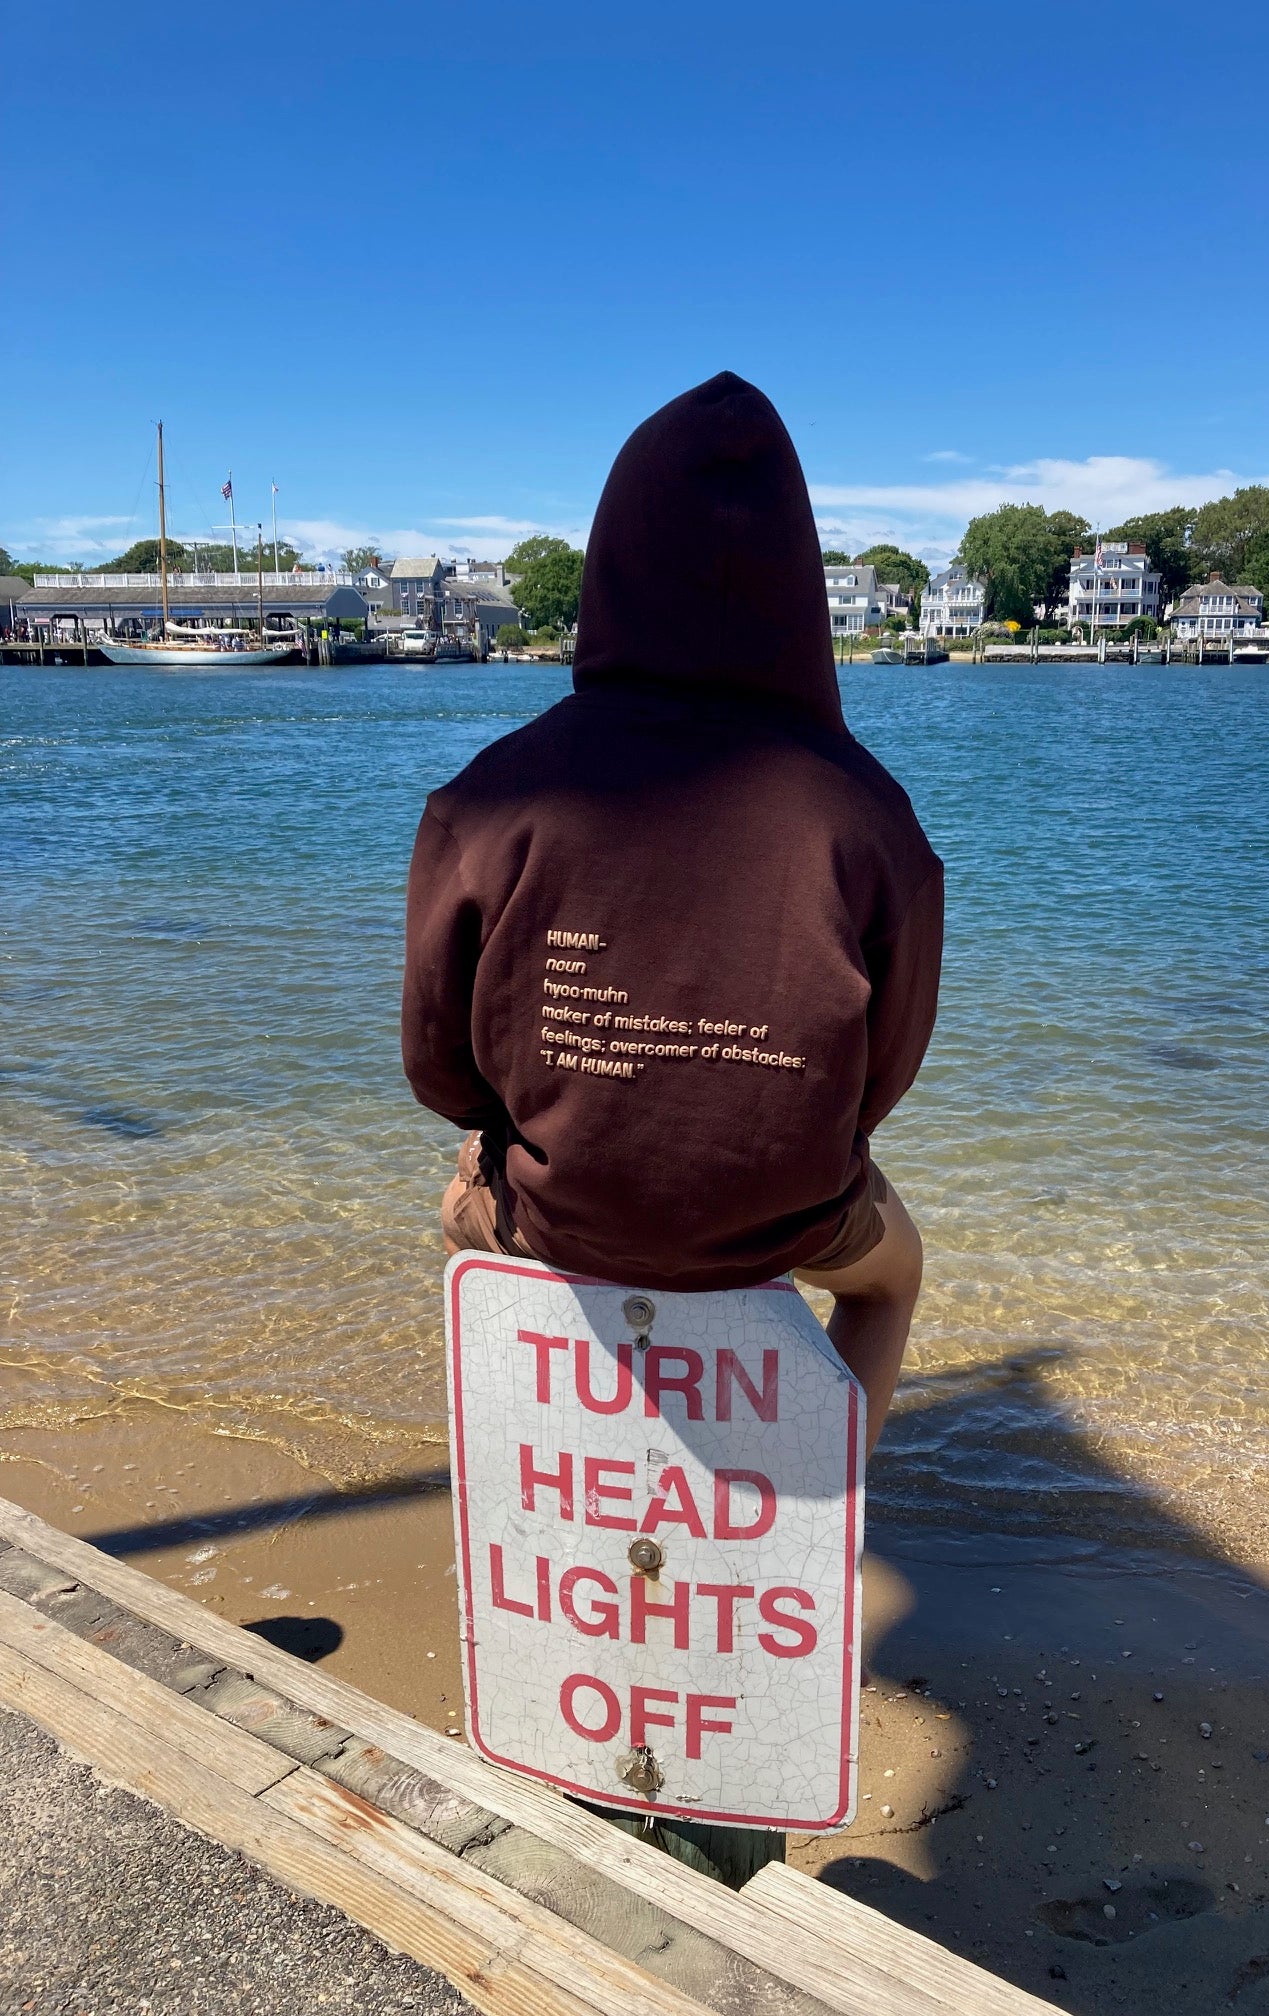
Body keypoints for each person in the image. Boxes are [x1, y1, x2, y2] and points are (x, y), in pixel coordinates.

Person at [401, 372, 942, 1456]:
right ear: (800, 588)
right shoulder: (869, 814)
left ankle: (547, 1461)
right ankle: (821, 1513)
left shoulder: (492, 796)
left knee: (458, 1205)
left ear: (612, 565)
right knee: (892, 1283)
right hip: (788, 1220)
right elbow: (880, 1082)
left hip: (559, 1212)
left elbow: (439, 1072)